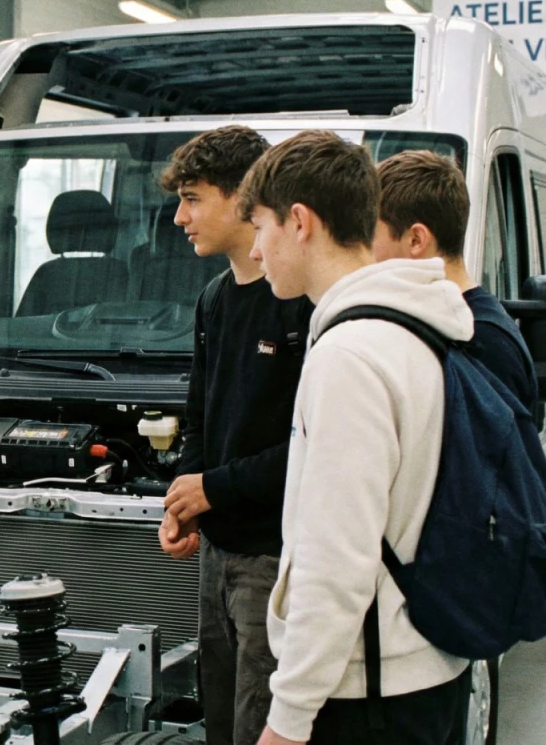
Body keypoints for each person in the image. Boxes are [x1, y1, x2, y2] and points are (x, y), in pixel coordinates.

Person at [241, 131, 473, 745]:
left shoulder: (349, 355)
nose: (257, 252)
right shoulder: (413, 325)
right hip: (422, 666)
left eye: (260, 227)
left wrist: (287, 721)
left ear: (299, 222)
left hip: (369, 695)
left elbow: (337, 559)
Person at [155, 126, 312, 745]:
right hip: (216, 555)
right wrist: (186, 498)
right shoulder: (215, 300)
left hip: (272, 560)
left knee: (259, 723)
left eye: (193, 198)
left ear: (243, 196)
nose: (179, 217)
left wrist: (212, 488)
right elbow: (200, 416)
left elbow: (312, 448)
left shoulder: (301, 306)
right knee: (220, 719)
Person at [372, 149, 539, 416]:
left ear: (416, 240)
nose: (366, 251)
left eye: (372, 233)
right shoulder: (453, 323)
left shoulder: (482, 343)